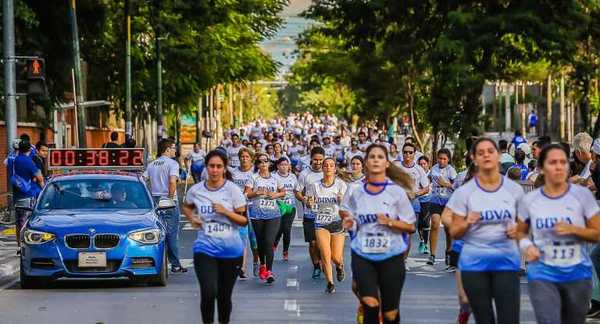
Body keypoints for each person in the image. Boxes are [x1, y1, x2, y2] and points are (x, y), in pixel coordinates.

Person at [517, 144, 600, 324]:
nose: (558, 167)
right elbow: (520, 233)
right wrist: (527, 247)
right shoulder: (530, 200)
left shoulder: (582, 197)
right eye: (552, 162)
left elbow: (597, 233)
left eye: (562, 162)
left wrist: (573, 230)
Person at [445, 138, 523, 324]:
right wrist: (466, 222)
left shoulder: (514, 190)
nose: (486, 155)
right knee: (485, 319)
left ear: (499, 156)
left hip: (506, 262)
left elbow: (526, 224)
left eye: (490, 151)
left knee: (509, 319)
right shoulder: (464, 193)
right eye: (481, 152)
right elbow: (454, 230)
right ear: (474, 158)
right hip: (475, 265)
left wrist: (518, 231)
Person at [341, 143, 415, 324]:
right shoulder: (356, 193)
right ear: (366, 162)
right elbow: (347, 214)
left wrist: (389, 221)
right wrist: (349, 222)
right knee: (371, 305)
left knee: (390, 314)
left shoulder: (396, 192)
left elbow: (410, 226)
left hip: (391, 255)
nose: (375, 160)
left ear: (387, 164)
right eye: (372, 156)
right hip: (363, 254)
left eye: (380, 157)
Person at [182, 150, 248, 324]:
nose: (215, 170)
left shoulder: (233, 190)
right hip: (205, 249)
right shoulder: (196, 190)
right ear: (206, 167)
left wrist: (225, 211)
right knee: (208, 292)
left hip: (231, 252)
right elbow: (187, 206)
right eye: (211, 166)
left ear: (224, 168)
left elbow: (243, 221)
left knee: (224, 296)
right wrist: (192, 218)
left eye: (219, 166)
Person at [144, 139, 186, 273]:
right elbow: (172, 182)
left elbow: (143, 180)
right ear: (167, 149)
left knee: (158, 233)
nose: (175, 151)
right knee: (172, 233)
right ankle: (175, 264)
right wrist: (170, 198)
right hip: (168, 200)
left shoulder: (152, 164)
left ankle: (159, 262)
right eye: (173, 148)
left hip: (155, 200)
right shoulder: (172, 163)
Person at [307, 157, 347, 293]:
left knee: (335, 257)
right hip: (321, 222)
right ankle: (330, 282)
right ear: (322, 168)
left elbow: (348, 205)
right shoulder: (315, 186)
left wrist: (342, 200)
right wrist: (310, 203)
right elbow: (309, 201)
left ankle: (340, 266)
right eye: (326, 165)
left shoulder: (341, 185)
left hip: (337, 222)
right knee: (325, 254)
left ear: (335, 169)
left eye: (331, 165)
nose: (328, 168)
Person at [244, 153, 285, 284]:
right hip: (257, 214)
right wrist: (256, 193)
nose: (263, 164)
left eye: (265, 161)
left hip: (273, 214)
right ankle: (262, 264)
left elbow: (283, 192)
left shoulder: (275, 178)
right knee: (261, 243)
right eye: (260, 162)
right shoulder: (253, 178)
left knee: (268, 241)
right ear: (257, 165)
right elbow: (246, 194)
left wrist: (276, 195)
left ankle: (269, 271)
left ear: (269, 163)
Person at [394, 143, 430, 259]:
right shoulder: (397, 167)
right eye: (405, 152)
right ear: (402, 153)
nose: (407, 154)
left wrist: (415, 193)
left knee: (407, 234)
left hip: (413, 204)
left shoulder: (419, 169)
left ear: (414, 154)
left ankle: (403, 260)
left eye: (410, 152)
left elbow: (426, 188)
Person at [295, 146, 325, 279]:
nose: (318, 163)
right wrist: (304, 199)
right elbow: (297, 192)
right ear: (310, 159)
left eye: (320, 160)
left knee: (322, 243)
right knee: (313, 243)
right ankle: (317, 266)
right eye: (315, 160)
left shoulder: (328, 171)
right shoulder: (304, 174)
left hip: (326, 214)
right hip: (310, 213)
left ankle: (326, 261)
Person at [12, 140, 45, 250]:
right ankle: (26, 246)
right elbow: (39, 177)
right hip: (28, 196)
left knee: (18, 222)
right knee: (27, 223)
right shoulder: (28, 161)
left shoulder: (15, 159)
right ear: (29, 149)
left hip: (17, 197)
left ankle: (19, 246)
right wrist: (44, 189)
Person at [229, 148, 256, 279]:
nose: (244, 159)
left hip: (255, 208)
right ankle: (243, 267)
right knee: (242, 239)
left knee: (254, 241)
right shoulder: (233, 173)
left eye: (247, 157)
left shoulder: (255, 173)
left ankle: (257, 262)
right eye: (242, 157)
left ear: (251, 159)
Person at [428, 148, 457, 266]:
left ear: (448, 160)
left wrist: (446, 184)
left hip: (448, 202)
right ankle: (432, 255)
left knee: (448, 229)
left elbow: (456, 187)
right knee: (434, 223)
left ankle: (448, 252)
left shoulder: (451, 171)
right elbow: (428, 180)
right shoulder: (433, 169)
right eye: (440, 158)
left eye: (444, 159)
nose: (442, 161)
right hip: (435, 200)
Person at [272, 157, 298, 262]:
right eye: (281, 164)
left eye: (286, 165)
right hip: (277, 206)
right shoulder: (273, 177)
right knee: (278, 229)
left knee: (286, 229)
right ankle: (273, 245)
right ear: (278, 166)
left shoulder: (293, 177)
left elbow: (296, 191)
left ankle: (285, 251)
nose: (284, 167)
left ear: (289, 166)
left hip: (290, 207)